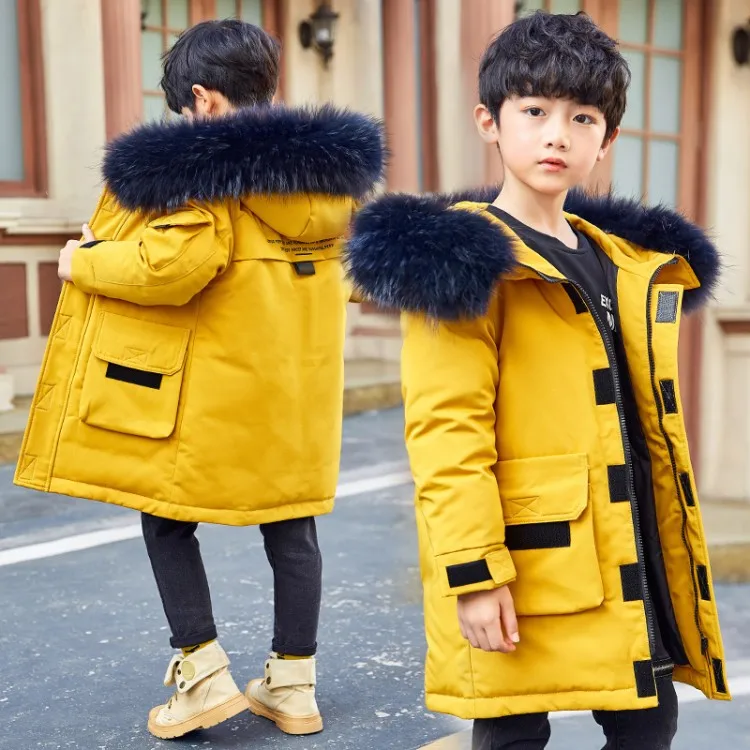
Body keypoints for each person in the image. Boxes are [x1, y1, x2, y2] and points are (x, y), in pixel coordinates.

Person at [345, 11, 728, 750]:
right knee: (513, 735)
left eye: (582, 118)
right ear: (489, 122)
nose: (558, 135)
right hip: (522, 560)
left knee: (650, 723)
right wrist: (473, 572)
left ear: (606, 140)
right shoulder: (465, 260)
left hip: (625, 554)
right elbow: (447, 432)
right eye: (534, 112)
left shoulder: (626, 263)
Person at [15, 19, 384, 740]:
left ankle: (203, 674)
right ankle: (293, 685)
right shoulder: (331, 183)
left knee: (164, 514)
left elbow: (172, 266)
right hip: (295, 396)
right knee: (292, 523)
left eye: (185, 107)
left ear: (206, 100)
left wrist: (80, 261)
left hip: (213, 392)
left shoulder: (207, 172)